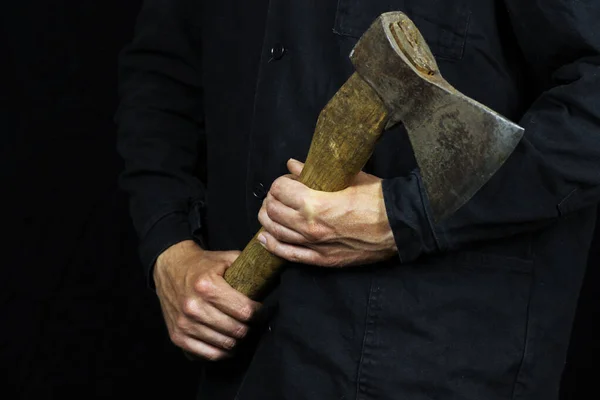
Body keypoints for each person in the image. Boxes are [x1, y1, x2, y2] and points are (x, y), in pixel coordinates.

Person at [116, 0, 600, 398]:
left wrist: (406, 213)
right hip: (245, 362)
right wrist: (169, 247)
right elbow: (162, 71)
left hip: (432, 364)